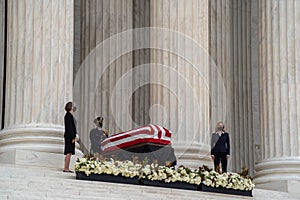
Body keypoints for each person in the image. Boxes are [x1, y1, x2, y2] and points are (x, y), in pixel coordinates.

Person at [63, 102, 77, 173]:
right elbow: (70, 128)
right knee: (69, 152)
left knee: (69, 153)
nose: (75, 107)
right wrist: (73, 137)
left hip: (69, 136)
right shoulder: (68, 116)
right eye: (73, 105)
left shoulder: (69, 116)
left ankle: (66, 167)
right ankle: (66, 168)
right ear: (71, 107)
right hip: (69, 137)